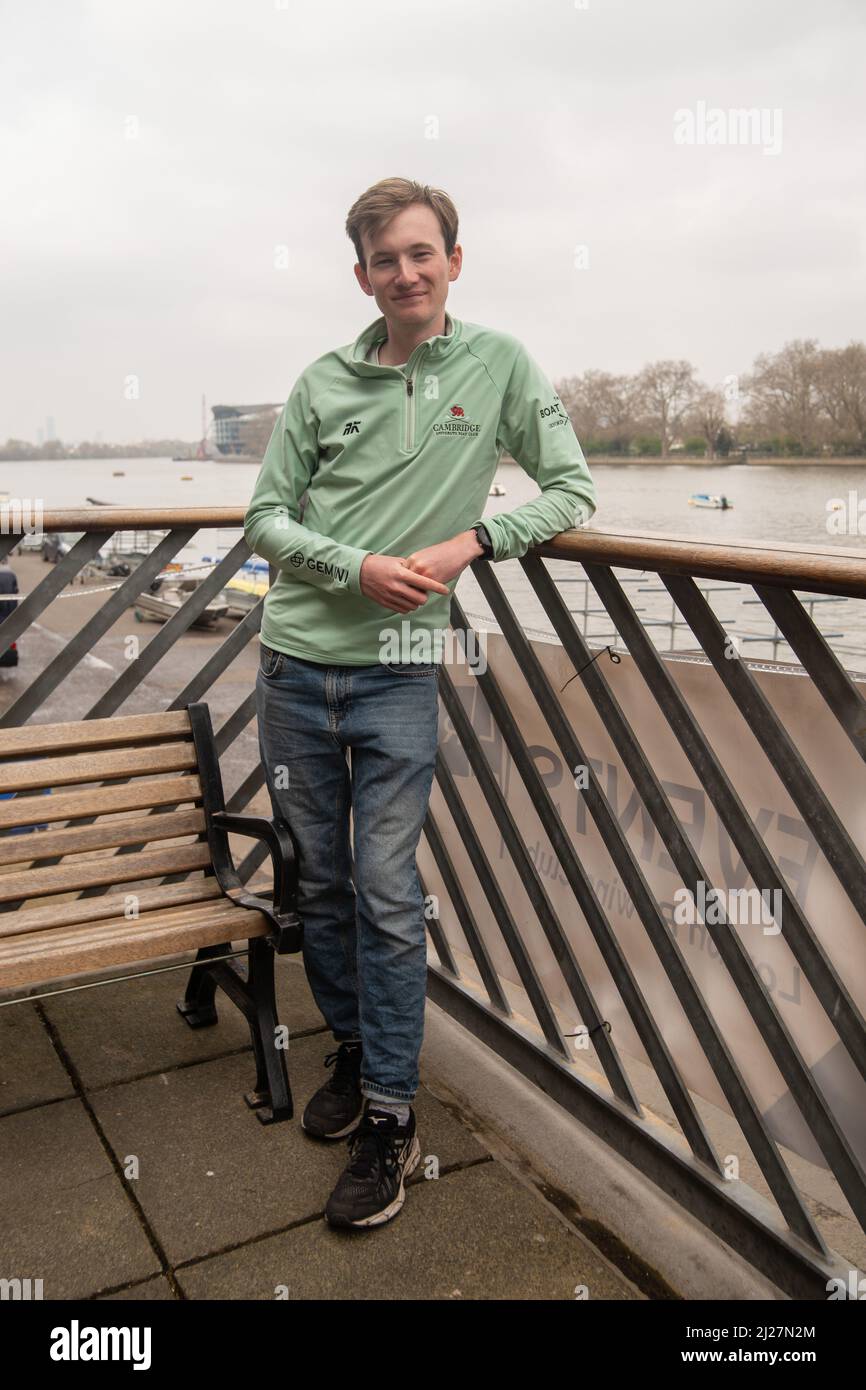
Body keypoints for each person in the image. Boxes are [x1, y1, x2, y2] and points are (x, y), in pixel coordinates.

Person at [244, 176, 596, 1229]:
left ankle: (392, 1115)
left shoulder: (498, 367)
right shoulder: (320, 382)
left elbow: (571, 487)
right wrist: (351, 566)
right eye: (383, 259)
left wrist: (468, 541)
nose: (403, 272)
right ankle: (352, 1050)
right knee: (321, 884)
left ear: (452, 258)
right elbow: (264, 518)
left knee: (388, 891)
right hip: (293, 666)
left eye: (419, 252)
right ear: (362, 275)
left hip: (400, 666)